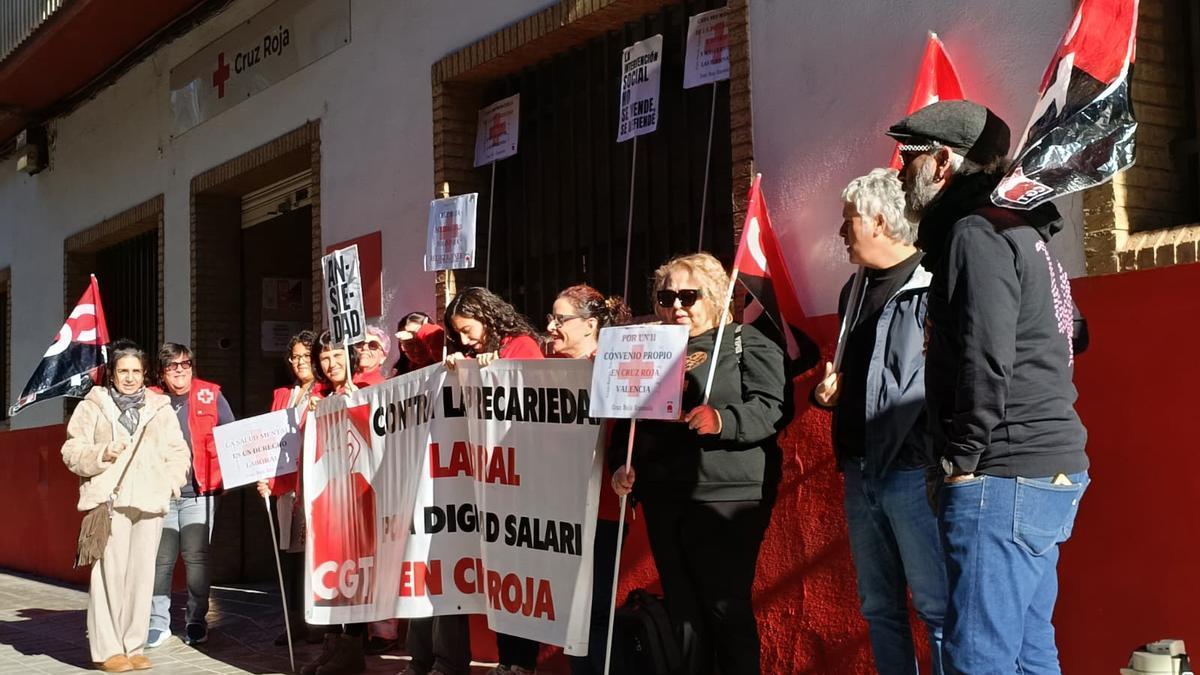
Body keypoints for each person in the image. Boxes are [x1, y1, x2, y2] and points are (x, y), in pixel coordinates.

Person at [887, 100, 1090, 674]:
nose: (899, 172)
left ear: (942, 162)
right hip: (1043, 469)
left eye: (908, 157)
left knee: (978, 660)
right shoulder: (1024, 231)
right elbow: (1075, 332)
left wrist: (962, 460)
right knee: (1028, 655)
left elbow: (986, 356)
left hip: (1003, 474)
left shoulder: (977, 232)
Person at [612, 253, 786, 675]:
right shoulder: (649, 350)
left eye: (688, 296)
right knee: (683, 610)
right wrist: (623, 465)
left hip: (725, 495)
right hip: (663, 495)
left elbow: (773, 407)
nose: (676, 306)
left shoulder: (746, 342)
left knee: (724, 606)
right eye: (665, 297)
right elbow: (628, 418)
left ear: (717, 296)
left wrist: (723, 420)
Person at [813, 169, 946, 675]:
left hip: (912, 468)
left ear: (881, 222)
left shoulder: (931, 282)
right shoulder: (853, 289)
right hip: (860, 469)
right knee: (878, 607)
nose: (841, 232)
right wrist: (829, 395)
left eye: (849, 220)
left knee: (936, 607)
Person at [62, 339, 190, 672]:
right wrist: (102, 453)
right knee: (109, 577)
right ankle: (108, 650)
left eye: (135, 371)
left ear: (145, 373)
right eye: (123, 371)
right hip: (111, 502)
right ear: (112, 374)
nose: (130, 377)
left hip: (149, 501)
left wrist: (170, 482)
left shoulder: (159, 407)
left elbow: (178, 451)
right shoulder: (93, 405)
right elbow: (71, 451)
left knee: (142, 578)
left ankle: (133, 645)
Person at [437, 286, 543, 675]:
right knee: (499, 576)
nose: (465, 340)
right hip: (491, 480)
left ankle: (522, 662)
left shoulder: (522, 346)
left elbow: (531, 395)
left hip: (522, 478)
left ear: (488, 316)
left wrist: (495, 368)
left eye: (468, 330)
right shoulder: (472, 356)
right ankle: (506, 659)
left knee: (522, 573)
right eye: (458, 334)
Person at [546, 284, 632, 675]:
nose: (551, 327)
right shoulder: (544, 372)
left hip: (603, 510)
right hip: (557, 508)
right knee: (568, 610)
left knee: (594, 610)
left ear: (590, 324)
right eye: (551, 318)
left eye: (560, 319)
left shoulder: (613, 368)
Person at [148, 342, 235, 649]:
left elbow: (231, 435)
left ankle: (196, 620)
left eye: (185, 364)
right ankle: (157, 623)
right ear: (162, 372)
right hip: (161, 492)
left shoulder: (210, 393)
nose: (181, 370)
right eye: (173, 366)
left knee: (196, 557)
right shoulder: (151, 399)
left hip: (201, 492)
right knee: (161, 560)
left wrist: (233, 474)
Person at [302, 330, 369, 675]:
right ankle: (332, 645)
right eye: (324, 358)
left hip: (360, 501)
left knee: (356, 576)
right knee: (328, 571)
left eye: (337, 355)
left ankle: (352, 648)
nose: (331, 364)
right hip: (328, 503)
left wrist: (358, 404)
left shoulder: (371, 388)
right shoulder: (320, 397)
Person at [257, 330, 325, 647]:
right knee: (292, 558)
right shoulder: (283, 394)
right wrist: (263, 475)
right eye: (294, 357)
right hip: (286, 485)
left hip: (314, 484)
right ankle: (295, 621)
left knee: (315, 555)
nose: (299, 362)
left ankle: (319, 622)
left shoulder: (326, 391)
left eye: (306, 356)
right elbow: (269, 440)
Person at [393, 311, 436, 376]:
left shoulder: (445, 363)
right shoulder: (400, 375)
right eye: (409, 344)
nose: (416, 350)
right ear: (402, 346)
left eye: (421, 342)